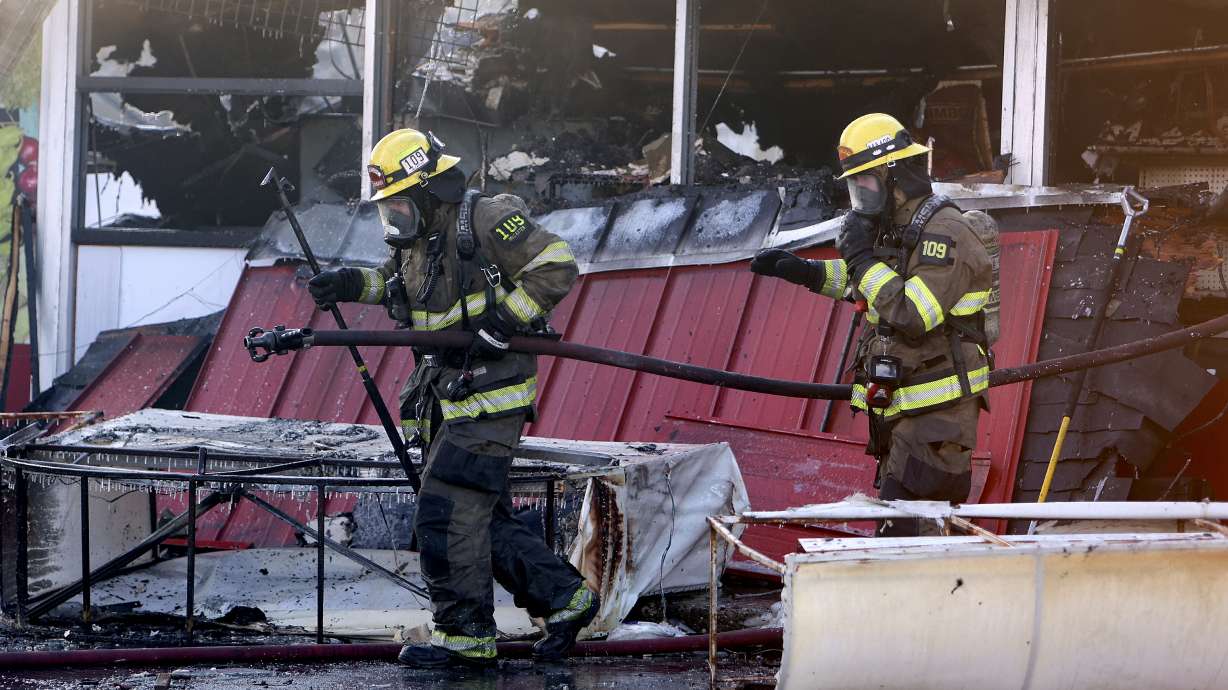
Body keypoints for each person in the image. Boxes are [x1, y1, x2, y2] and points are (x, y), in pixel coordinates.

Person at [308, 127, 599, 668]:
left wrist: (503, 321)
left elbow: (556, 264)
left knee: (443, 513)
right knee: (479, 518)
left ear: (427, 190)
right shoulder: (417, 242)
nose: (393, 219)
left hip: (490, 399)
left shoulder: (485, 220)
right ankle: (565, 598)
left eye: (399, 205)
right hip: (448, 398)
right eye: (387, 210)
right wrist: (348, 283)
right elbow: (395, 288)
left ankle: (465, 639)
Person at [750, 113, 993, 536]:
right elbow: (869, 284)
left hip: (937, 416)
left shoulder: (946, 232)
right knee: (901, 532)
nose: (859, 194)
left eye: (866, 182)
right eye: (855, 185)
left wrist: (861, 258)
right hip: (904, 408)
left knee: (905, 536)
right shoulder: (896, 226)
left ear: (895, 175)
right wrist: (805, 273)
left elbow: (912, 311)